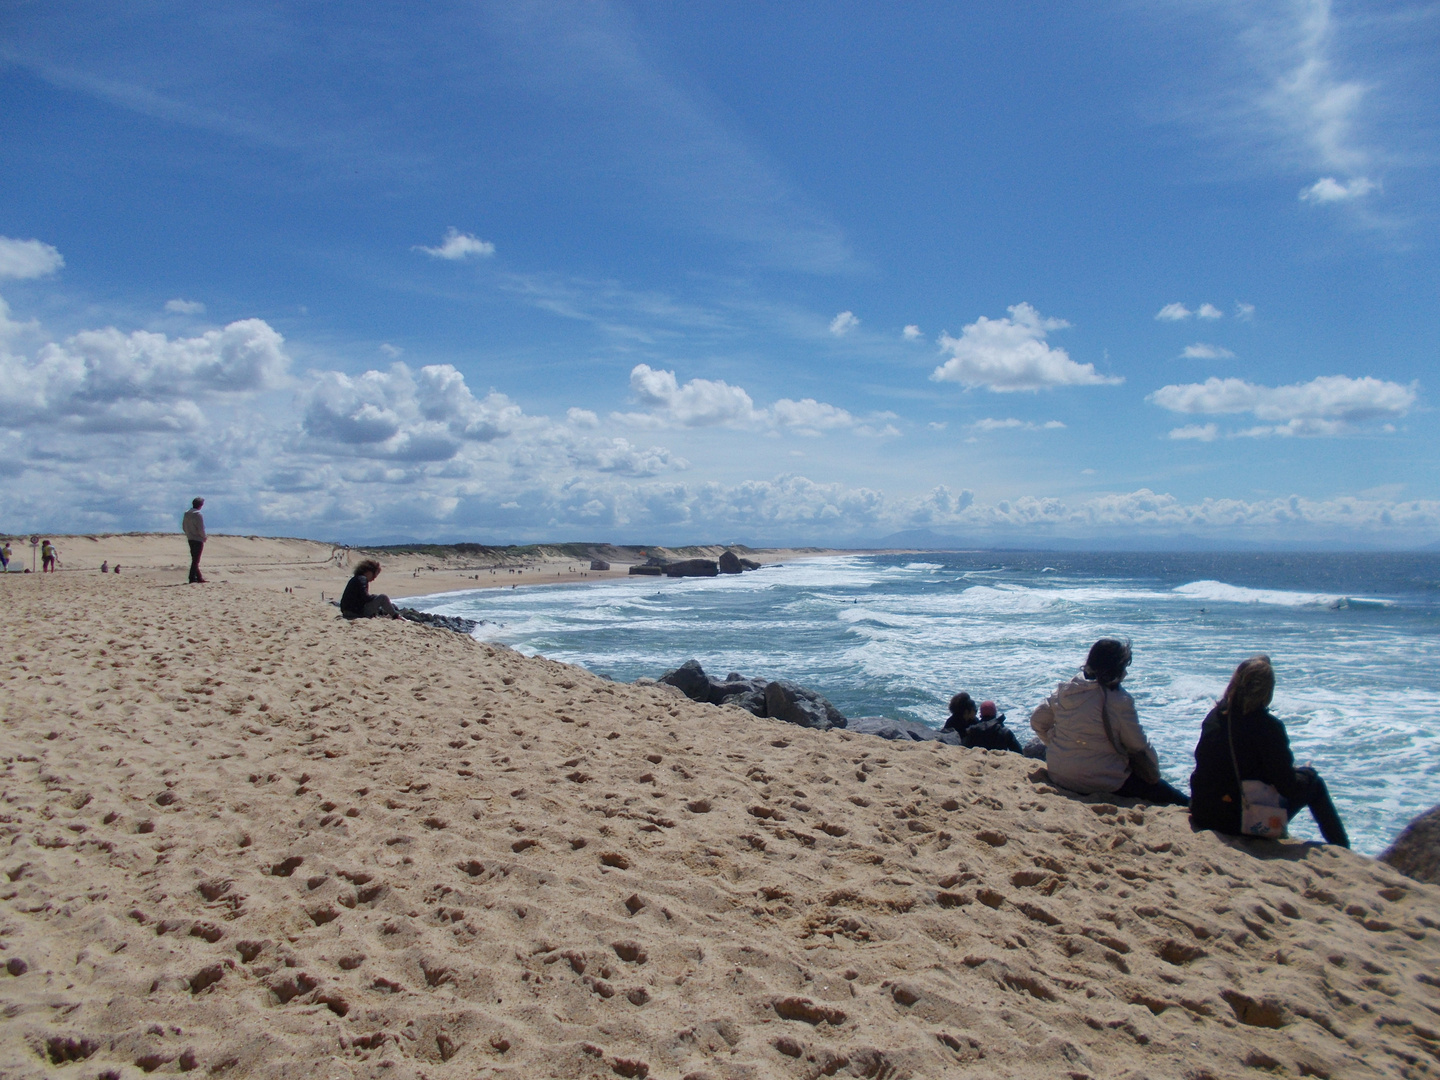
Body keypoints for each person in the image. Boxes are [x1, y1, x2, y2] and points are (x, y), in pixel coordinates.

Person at [1189, 655, 1348, 847]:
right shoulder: (1268, 728)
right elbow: (1287, 787)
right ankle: (1343, 848)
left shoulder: (1215, 717)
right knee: (1315, 784)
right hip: (1238, 820)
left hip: (1204, 812)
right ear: (1267, 691)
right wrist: (1305, 774)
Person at [1030, 638, 1189, 806]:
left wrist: (1057, 744)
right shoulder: (1119, 700)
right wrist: (1154, 774)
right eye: (1124, 668)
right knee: (1174, 797)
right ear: (1114, 668)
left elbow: (1037, 721)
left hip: (1060, 775)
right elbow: (1138, 745)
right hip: (1102, 781)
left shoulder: (1065, 690)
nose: (1125, 674)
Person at [182, 498, 206, 583]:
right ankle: (192, 577)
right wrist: (203, 536)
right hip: (197, 538)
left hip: (190, 537)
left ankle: (199, 577)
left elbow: (184, 526)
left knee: (194, 558)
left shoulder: (186, 513)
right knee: (196, 559)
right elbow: (200, 528)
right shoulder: (198, 514)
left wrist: (188, 533)